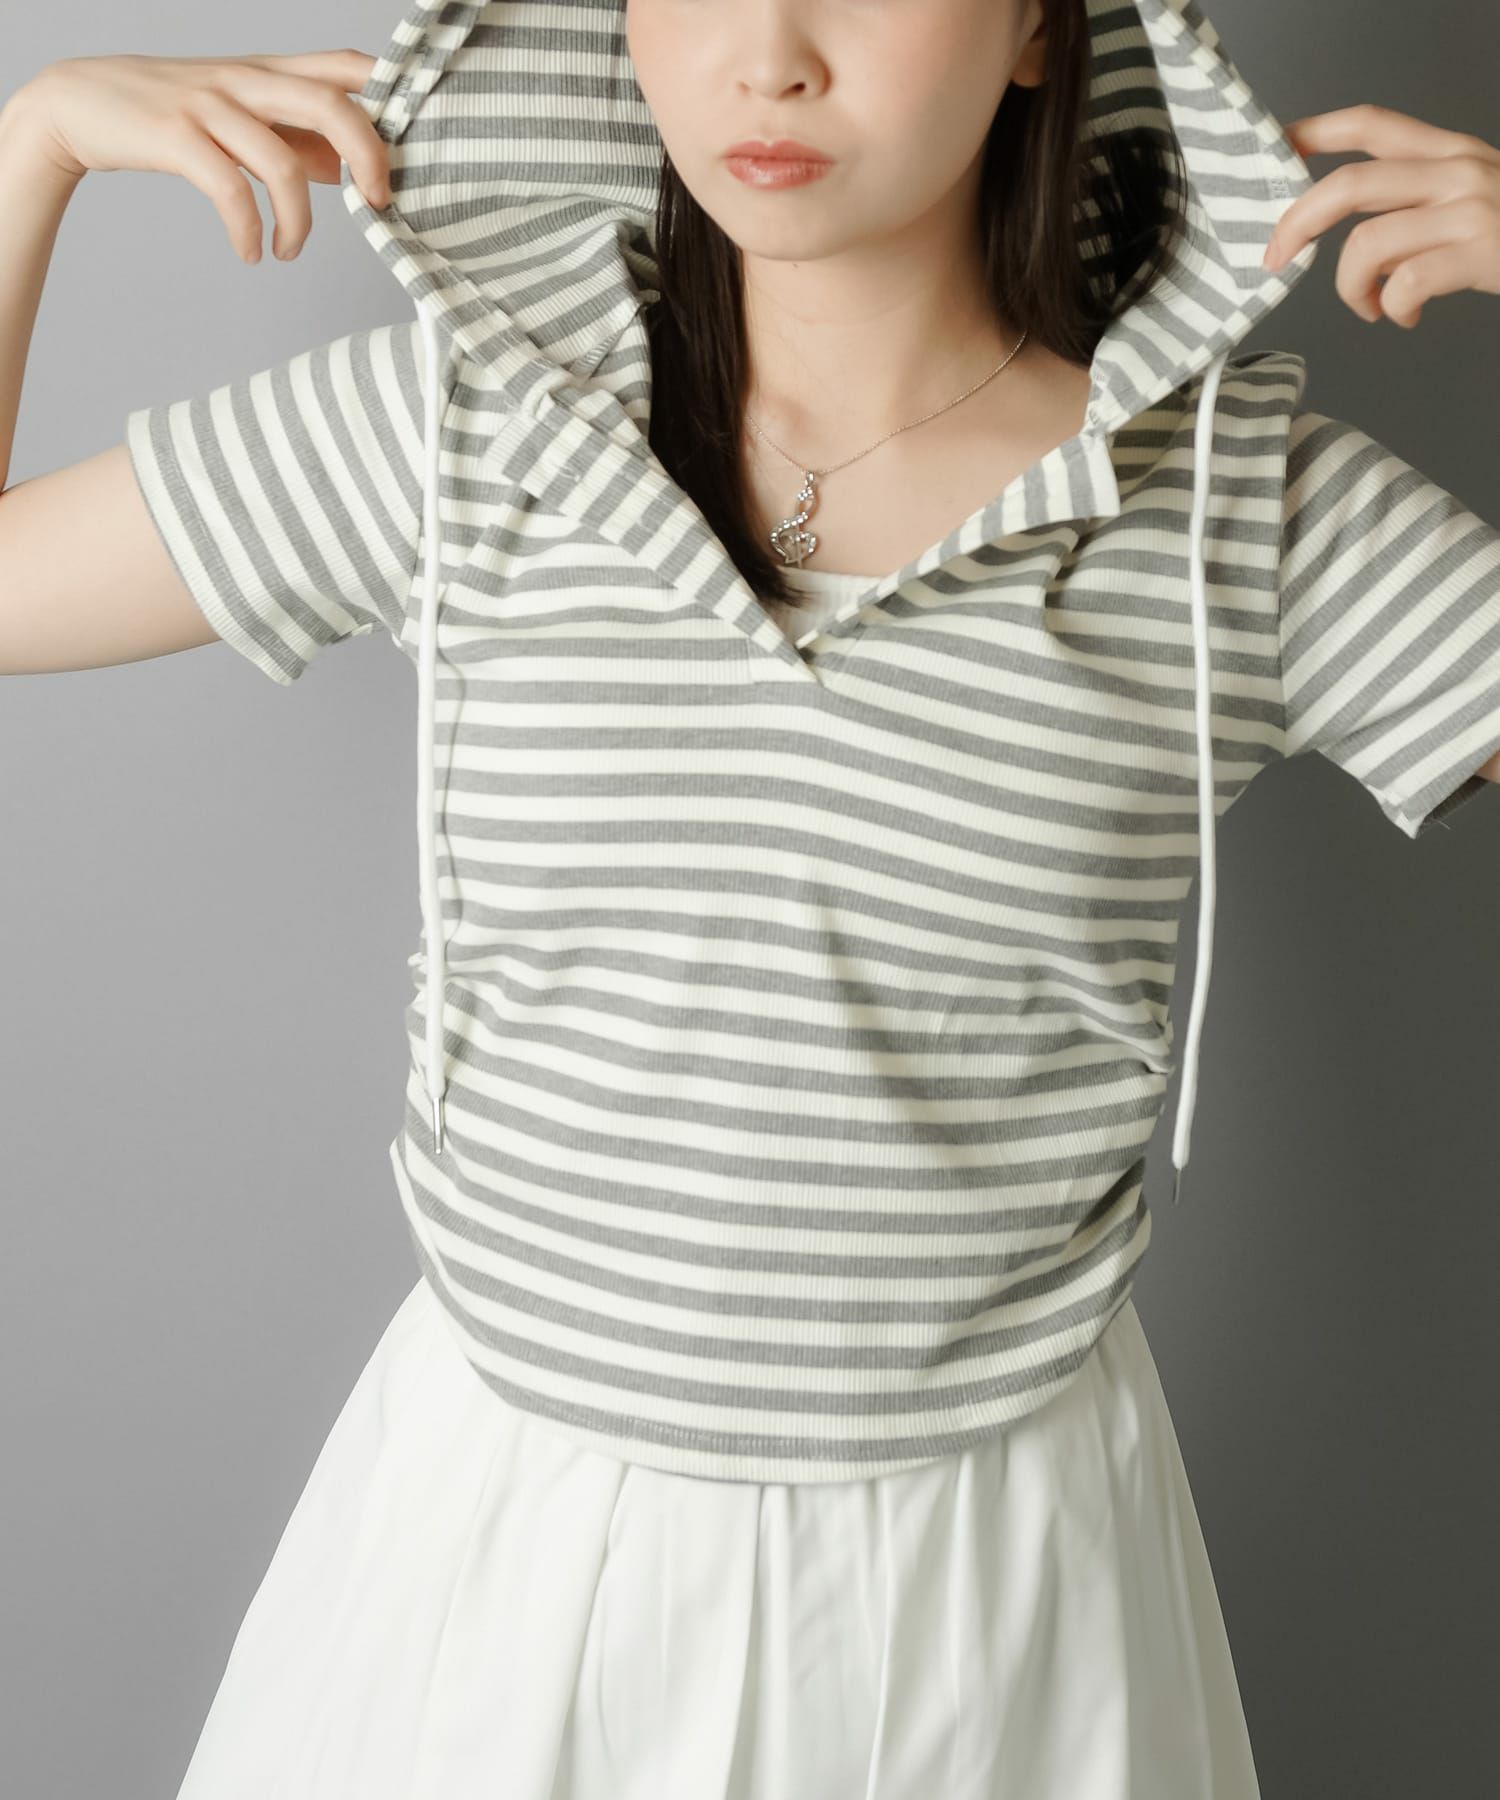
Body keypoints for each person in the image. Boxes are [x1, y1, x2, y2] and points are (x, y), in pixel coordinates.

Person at [4, 1, 1499, 1795]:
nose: (767, 54)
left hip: (996, 1582)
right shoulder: (465, 419)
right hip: (500, 1557)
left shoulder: (1236, 506)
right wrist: (32, 147)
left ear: (1037, 28)